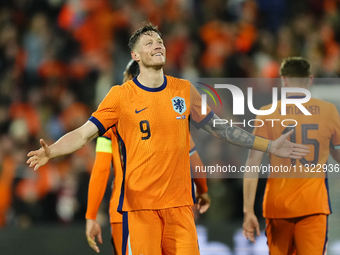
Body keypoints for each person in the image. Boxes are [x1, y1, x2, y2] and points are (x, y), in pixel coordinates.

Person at [27, 23, 308, 255]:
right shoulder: (120, 96)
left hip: (180, 208)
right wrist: (51, 152)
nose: (157, 44)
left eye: (159, 40)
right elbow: (83, 134)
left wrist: (270, 145)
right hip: (141, 209)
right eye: (148, 43)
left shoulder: (184, 90)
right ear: (135, 56)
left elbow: (221, 129)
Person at [85, 60, 211, 254]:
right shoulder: (172, 120)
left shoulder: (111, 123)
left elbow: (101, 168)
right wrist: (202, 191)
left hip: (130, 211)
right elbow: (195, 161)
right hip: (169, 208)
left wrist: (91, 215)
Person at [242, 57, 340, 254]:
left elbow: (252, 164)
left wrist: (248, 210)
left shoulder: (266, 113)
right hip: (314, 206)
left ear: (284, 80)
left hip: (277, 206)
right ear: (310, 79)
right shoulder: (329, 111)